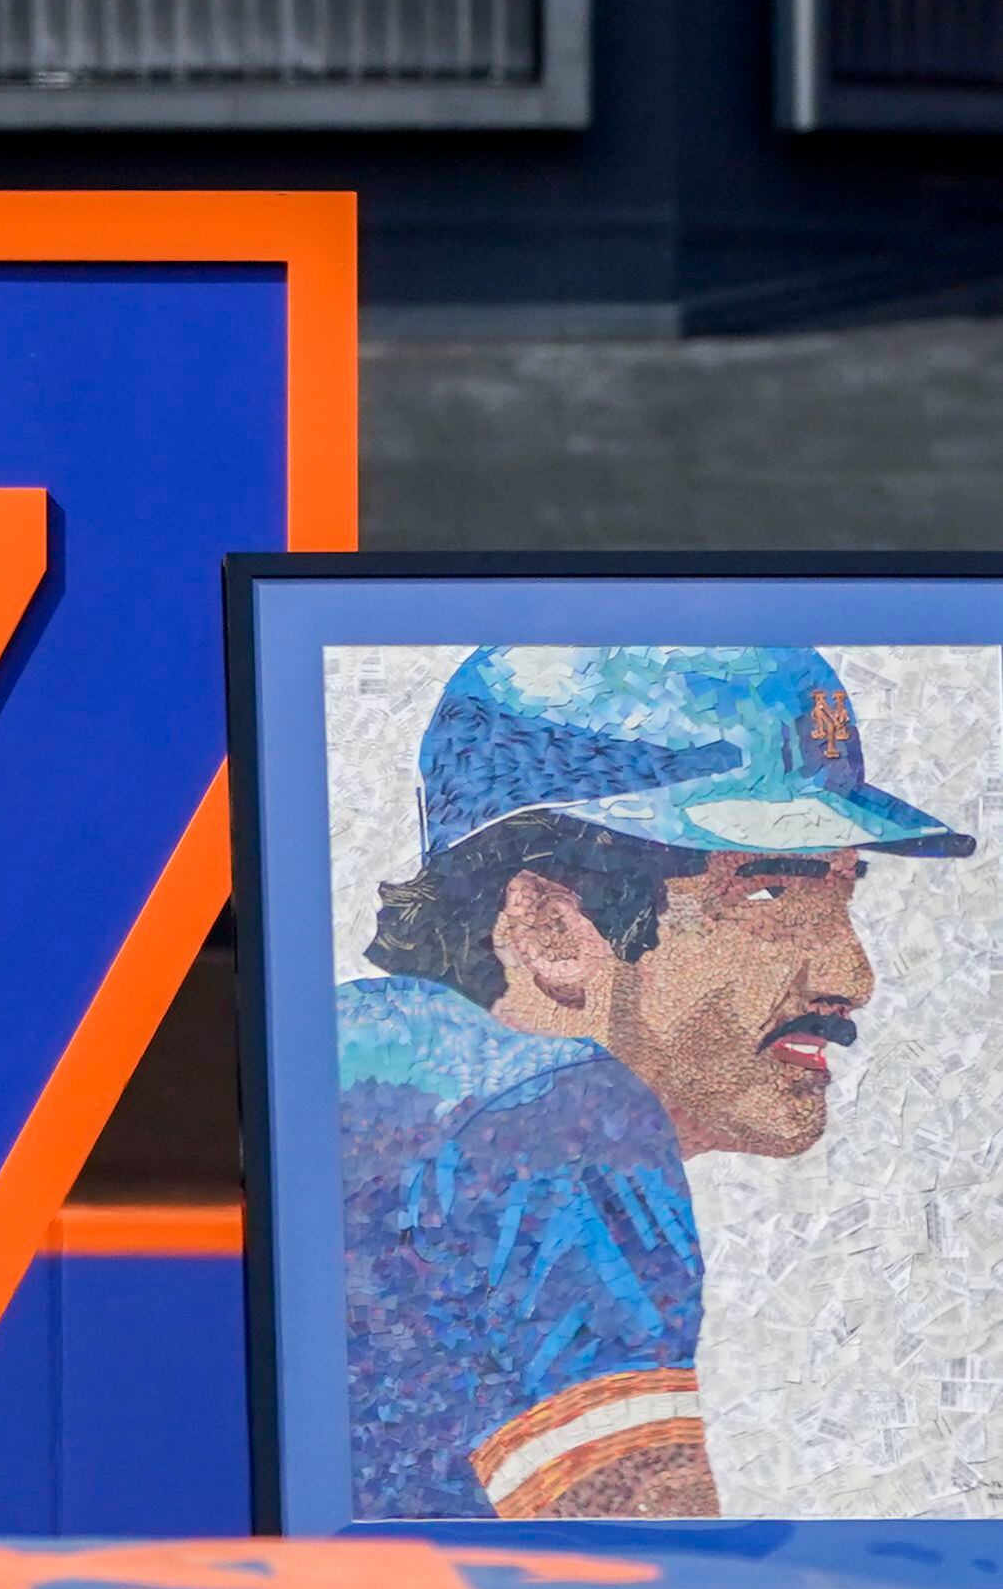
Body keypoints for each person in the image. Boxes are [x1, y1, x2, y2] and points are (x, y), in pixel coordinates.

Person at [339, 644, 977, 1521]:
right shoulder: (558, 1120)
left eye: (843, 892)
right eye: (767, 894)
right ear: (553, 926)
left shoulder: (351, 1052)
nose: (850, 972)